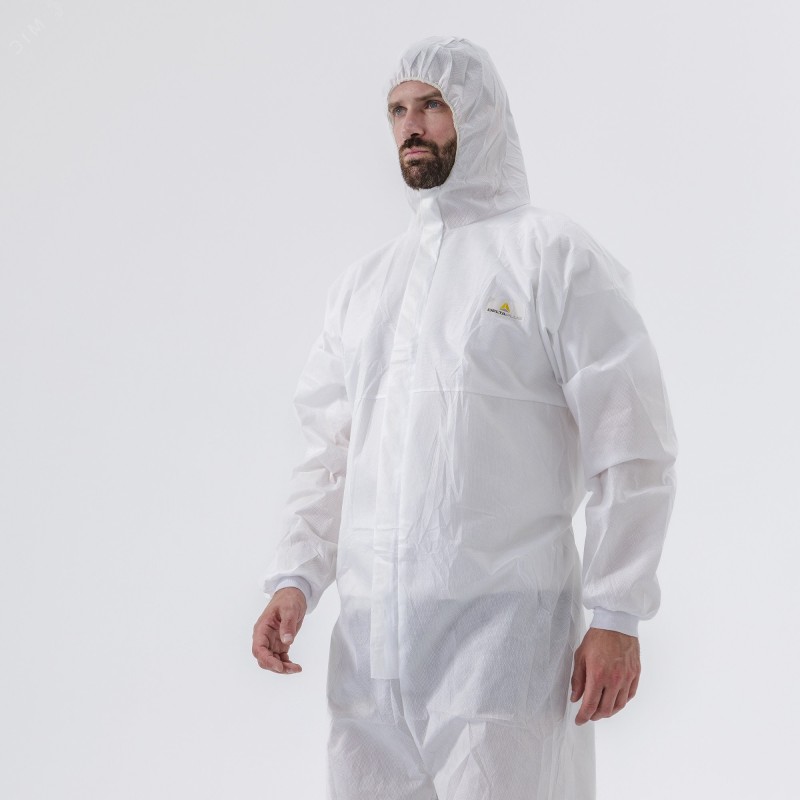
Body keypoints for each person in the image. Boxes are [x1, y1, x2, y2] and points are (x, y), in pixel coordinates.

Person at [252, 35, 677, 800]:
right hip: (371, 650)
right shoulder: (366, 286)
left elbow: (629, 437)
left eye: (433, 105)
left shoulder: (551, 256)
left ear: (480, 114)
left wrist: (617, 611)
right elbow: (330, 451)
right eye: (397, 111)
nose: (411, 126)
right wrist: (296, 578)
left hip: (507, 641)